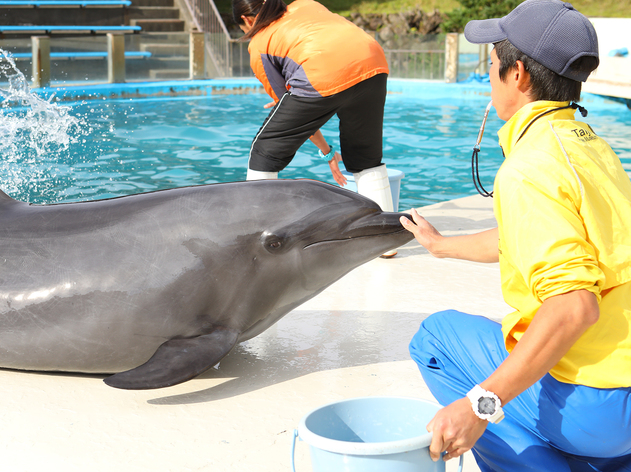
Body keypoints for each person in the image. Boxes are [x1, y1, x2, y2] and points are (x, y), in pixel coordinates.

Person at [400, 0, 631, 470]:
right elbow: (527, 239)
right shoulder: (593, 146)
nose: (489, 78)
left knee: (436, 338)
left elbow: (574, 304)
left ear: (518, 74)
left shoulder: (529, 168)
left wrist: (481, 405)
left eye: (490, 66)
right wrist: (442, 247)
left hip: (602, 406)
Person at [233, 0, 396, 220]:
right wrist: (290, 102)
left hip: (323, 74)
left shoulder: (259, 45)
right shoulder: (306, 4)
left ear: (246, 19)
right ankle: (386, 234)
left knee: (264, 150)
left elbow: (302, 121)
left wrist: (327, 151)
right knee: (365, 158)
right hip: (373, 64)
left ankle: (255, 229)